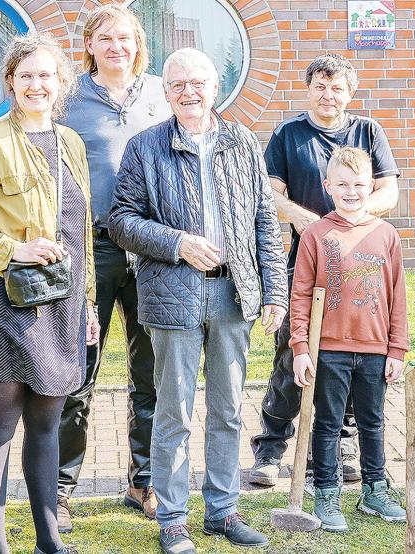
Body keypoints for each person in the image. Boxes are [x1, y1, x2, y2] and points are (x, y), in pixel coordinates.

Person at [108, 48, 287, 553]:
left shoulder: (243, 142)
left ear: (216, 87)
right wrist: (178, 243)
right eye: (178, 83)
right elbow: (122, 221)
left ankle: (223, 511)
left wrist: (273, 291)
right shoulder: (145, 147)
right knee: (175, 412)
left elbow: (263, 223)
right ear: (166, 93)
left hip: (234, 293)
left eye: (198, 82)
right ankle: (172, 518)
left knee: (229, 409)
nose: (189, 91)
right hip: (172, 294)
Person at [0, 32, 99, 554]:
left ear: (61, 84)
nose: (37, 84)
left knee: (48, 424)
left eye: (46, 75)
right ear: (11, 82)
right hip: (5, 301)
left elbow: (83, 232)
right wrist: (15, 249)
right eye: (26, 75)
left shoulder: (71, 143)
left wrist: (91, 303)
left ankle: (49, 541)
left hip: (64, 304)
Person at [249, 53, 400, 487]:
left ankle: (338, 446)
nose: (328, 94)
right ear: (309, 89)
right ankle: (272, 447)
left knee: (350, 354)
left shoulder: (368, 131)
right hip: (306, 262)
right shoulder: (288, 135)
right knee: (292, 354)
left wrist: (349, 217)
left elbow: (388, 192)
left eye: (337, 88)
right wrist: (311, 222)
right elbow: (268, 194)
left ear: (349, 93)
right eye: (320, 86)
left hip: (358, 266)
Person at [56, 4, 172, 530]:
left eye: (124, 38)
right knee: (78, 369)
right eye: (105, 38)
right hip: (93, 247)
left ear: (138, 45)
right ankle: (60, 488)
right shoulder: (68, 98)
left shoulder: (159, 94)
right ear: (90, 45)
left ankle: (143, 482)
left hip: (149, 250)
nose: (116, 47)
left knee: (149, 373)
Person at [289, 147, 409, 532]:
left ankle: (375, 490)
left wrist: (397, 348)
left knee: (373, 422)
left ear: (371, 185)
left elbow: (398, 295)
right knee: (327, 423)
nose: (351, 191)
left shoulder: (386, 235)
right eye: (342, 184)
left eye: (358, 184)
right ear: (328, 187)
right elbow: (301, 293)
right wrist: (301, 348)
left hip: (374, 349)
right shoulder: (316, 234)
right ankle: (326, 494)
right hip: (330, 350)